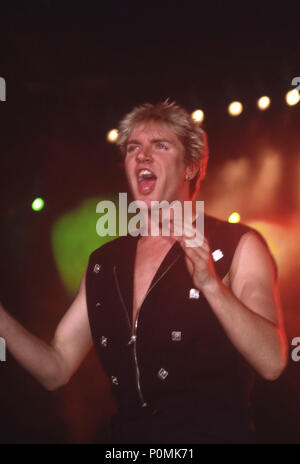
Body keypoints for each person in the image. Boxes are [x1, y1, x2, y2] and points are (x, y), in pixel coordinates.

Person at [0, 100, 288, 444]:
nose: (142, 155)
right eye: (133, 148)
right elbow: (57, 368)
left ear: (190, 167)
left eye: (160, 145)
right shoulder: (105, 262)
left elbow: (272, 361)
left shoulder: (238, 244)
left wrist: (211, 284)